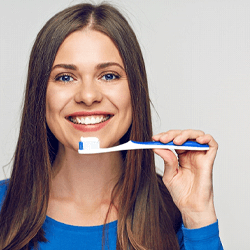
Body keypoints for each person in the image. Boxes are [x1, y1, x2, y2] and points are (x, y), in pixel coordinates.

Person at [0, 3, 223, 250]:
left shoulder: (175, 212)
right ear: (39, 95)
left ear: (134, 92)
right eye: (65, 77)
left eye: (109, 75)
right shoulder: (3, 207)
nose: (87, 95)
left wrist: (197, 216)